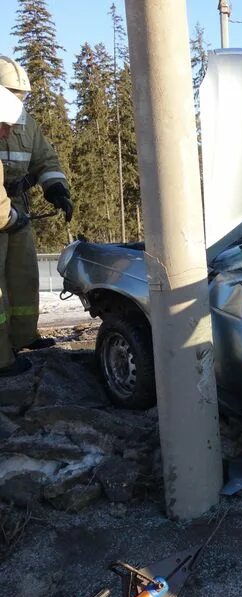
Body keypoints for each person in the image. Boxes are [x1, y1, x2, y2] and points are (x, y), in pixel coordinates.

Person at [0, 56, 72, 377]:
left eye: (21, 96)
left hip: (18, 207)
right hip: (1, 208)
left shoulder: (26, 123)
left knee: (24, 276)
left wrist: (56, 188)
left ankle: (23, 336)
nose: (17, 103)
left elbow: (46, 159)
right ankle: (2, 355)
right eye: (11, 94)